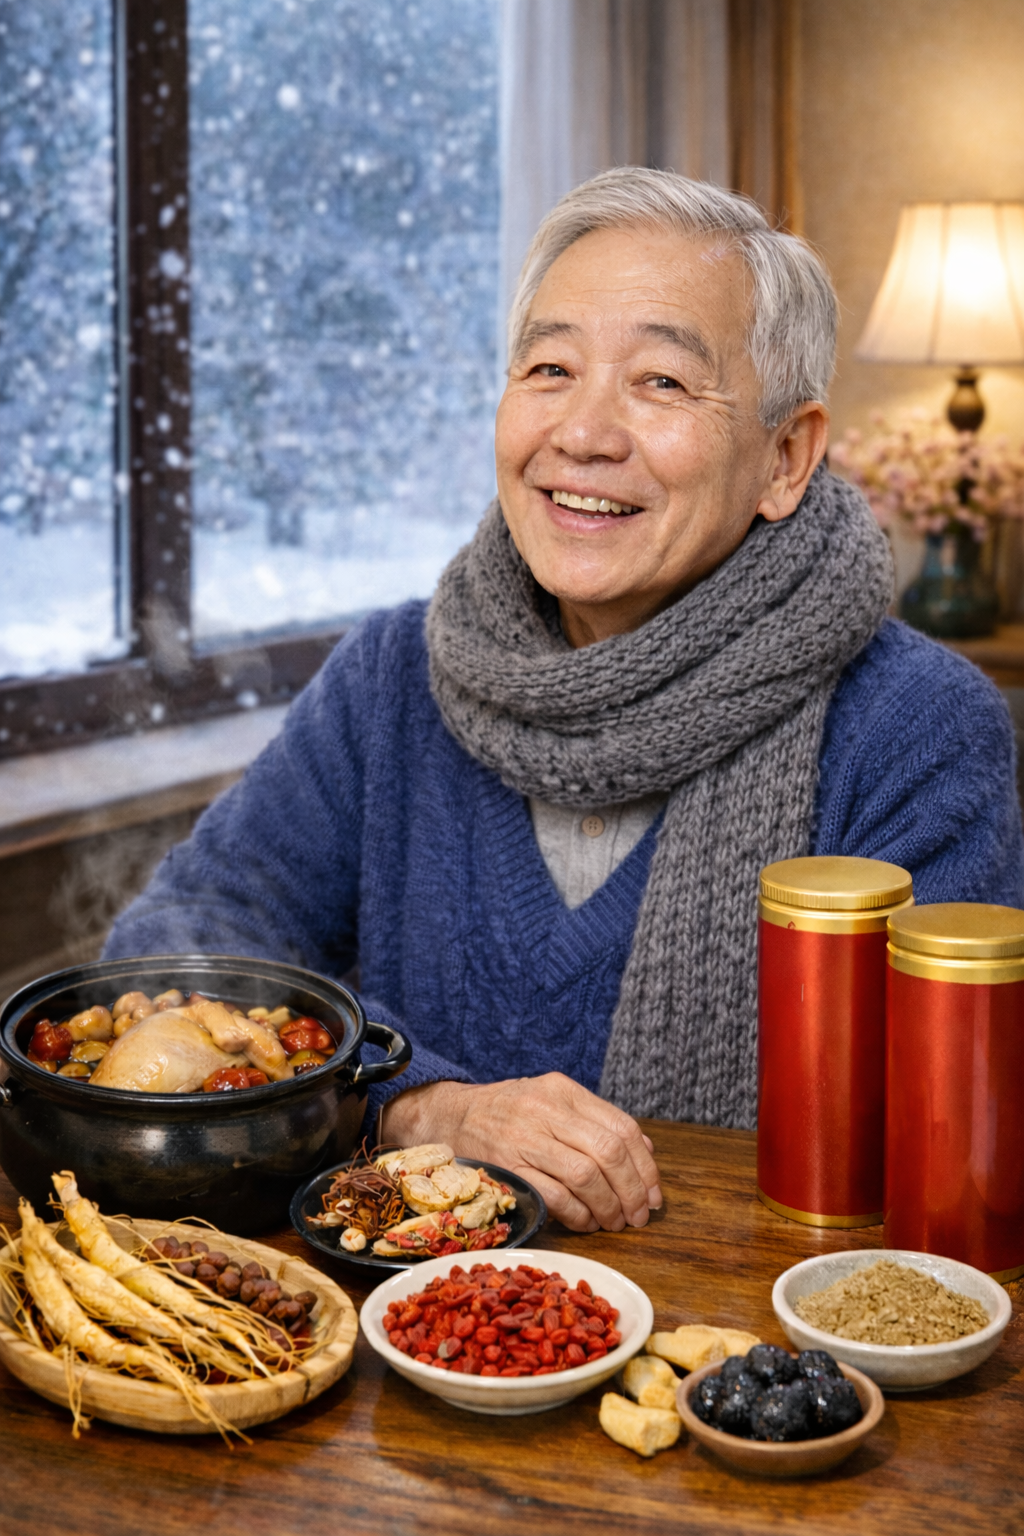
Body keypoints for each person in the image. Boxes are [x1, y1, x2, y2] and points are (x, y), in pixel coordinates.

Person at [106, 168, 1024, 1235]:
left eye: (662, 382)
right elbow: (175, 947)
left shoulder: (916, 725)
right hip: (399, 1308)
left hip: (748, 1319)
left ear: (785, 457)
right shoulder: (394, 673)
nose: (583, 434)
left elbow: (956, 1140)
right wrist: (414, 1104)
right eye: (550, 368)